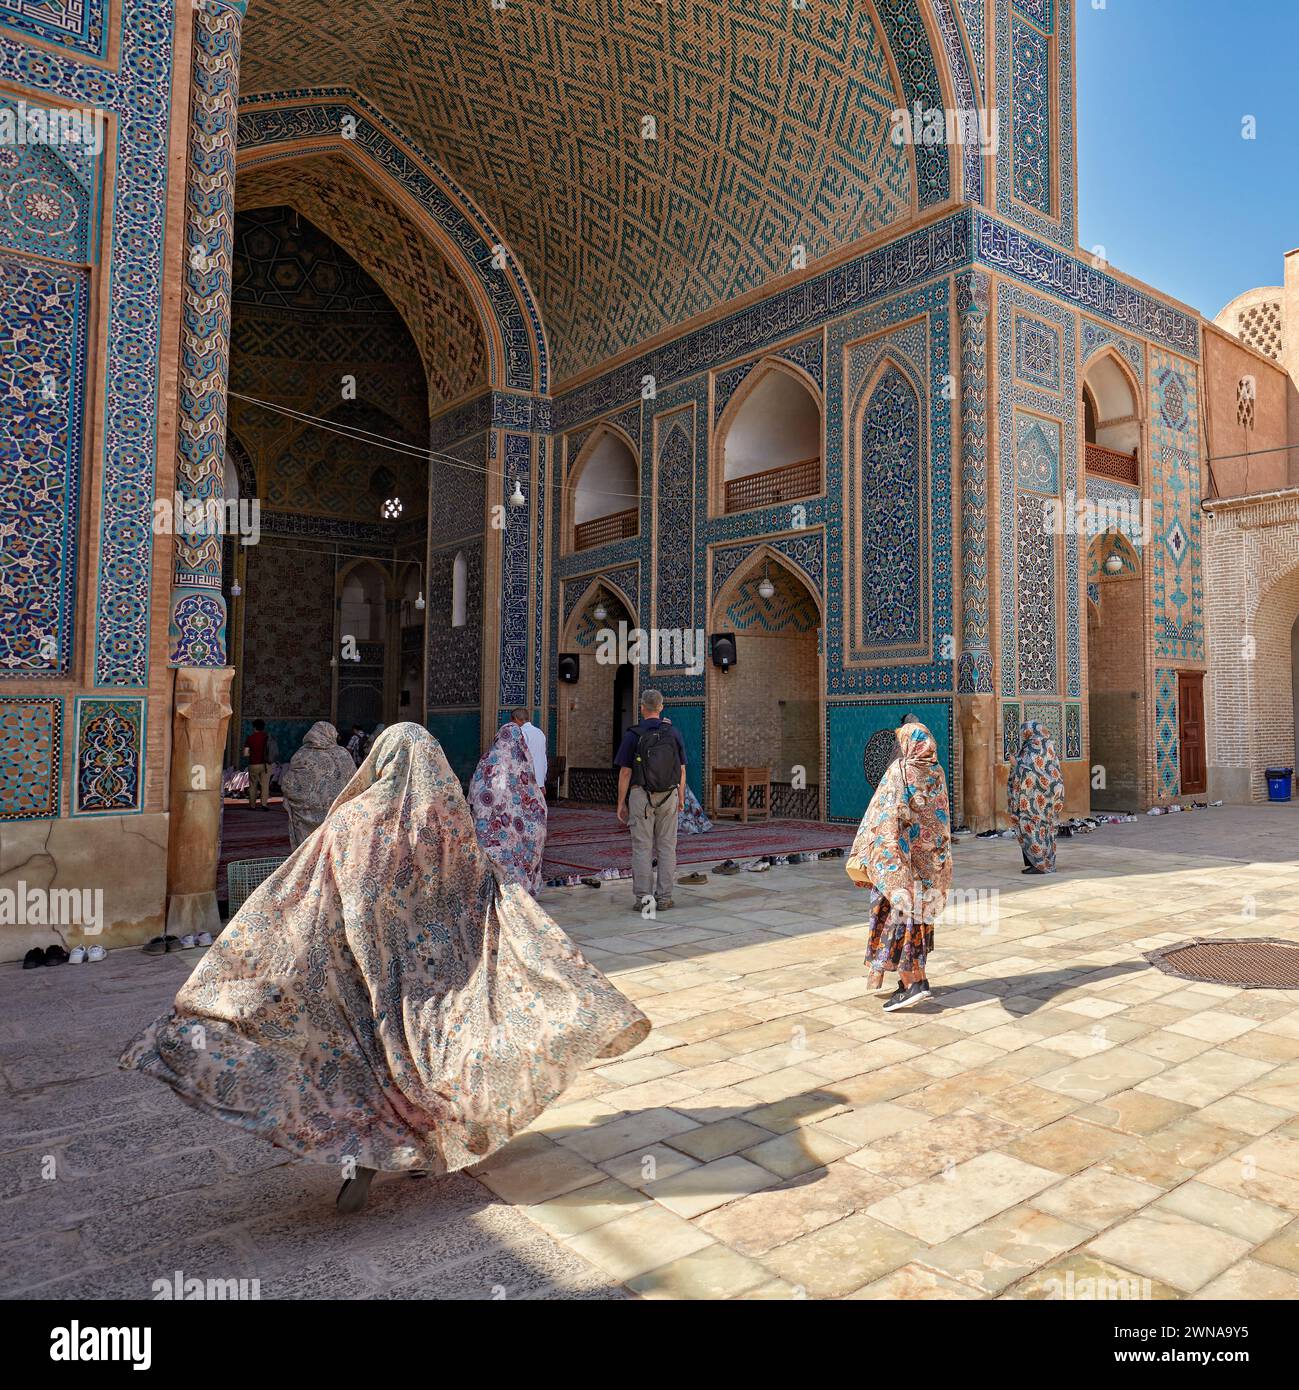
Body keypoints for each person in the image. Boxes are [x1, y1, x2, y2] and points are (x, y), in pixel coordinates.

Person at [120, 724, 649, 1214]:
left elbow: (299, 894)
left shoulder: (350, 822)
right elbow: (487, 893)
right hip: (436, 986)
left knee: (363, 1059)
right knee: (432, 1065)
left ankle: (373, 1155)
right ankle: (417, 1147)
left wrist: (256, 955)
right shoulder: (448, 825)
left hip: (360, 979)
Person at [845, 721, 952, 1012]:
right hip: (930, 863)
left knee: (899, 922)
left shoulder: (900, 771)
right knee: (918, 920)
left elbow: (886, 816)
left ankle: (909, 984)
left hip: (900, 864)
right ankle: (920, 978)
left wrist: (881, 857)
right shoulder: (937, 771)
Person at [615, 689, 686, 912]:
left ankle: (644, 899)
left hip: (641, 796)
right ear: (661, 707)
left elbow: (625, 772)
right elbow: (682, 770)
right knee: (667, 847)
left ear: (642, 708)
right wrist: (681, 797)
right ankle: (664, 898)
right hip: (669, 795)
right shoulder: (673, 733)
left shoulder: (633, 735)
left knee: (642, 848)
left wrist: (620, 802)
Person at [469, 721, 548, 895]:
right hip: (512, 828)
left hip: (490, 826)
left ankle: (493, 891)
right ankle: (519, 889)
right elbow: (534, 798)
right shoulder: (524, 766)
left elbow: (475, 790)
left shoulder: (487, 761)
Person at [279, 720, 356, 849]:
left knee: (308, 852)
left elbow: (289, 785)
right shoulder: (343, 755)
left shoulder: (302, 755)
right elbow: (355, 783)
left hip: (305, 817)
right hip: (337, 815)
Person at [1009, 719, 1065, 873]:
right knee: (1045, 830)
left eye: (1024, 732)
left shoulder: (1034, 746)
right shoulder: (1048, 746)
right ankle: (1039, 862)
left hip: (1035, 799)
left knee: (1032, 828)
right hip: (1048, 797)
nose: (1023, 735)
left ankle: (1040, 865)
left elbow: (1032, 770)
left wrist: (1016, 763)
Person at [510, 707, 548, 793]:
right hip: (539, 779)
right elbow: (543, 758)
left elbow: (517, 757)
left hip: (526, 779)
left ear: (515, 719)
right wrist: (542, 780)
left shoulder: (521, 733)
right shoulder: (540, 732)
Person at [242, 719, 275, 811]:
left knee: (253, 785)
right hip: (266, 764)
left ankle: (252, 805)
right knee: (265, 785)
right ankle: (264, 804)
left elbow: (246, 754)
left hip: (253, 764)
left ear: (254, 727)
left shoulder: (250, 738)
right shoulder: (267, 737)